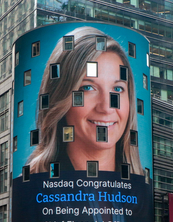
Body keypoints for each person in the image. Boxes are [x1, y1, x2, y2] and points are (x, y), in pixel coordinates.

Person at [26, 27, 143, 175]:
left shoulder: (139, 187)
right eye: (88, 87)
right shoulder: (34, 187)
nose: (106, 107)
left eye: (118, 89)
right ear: (61, 97)